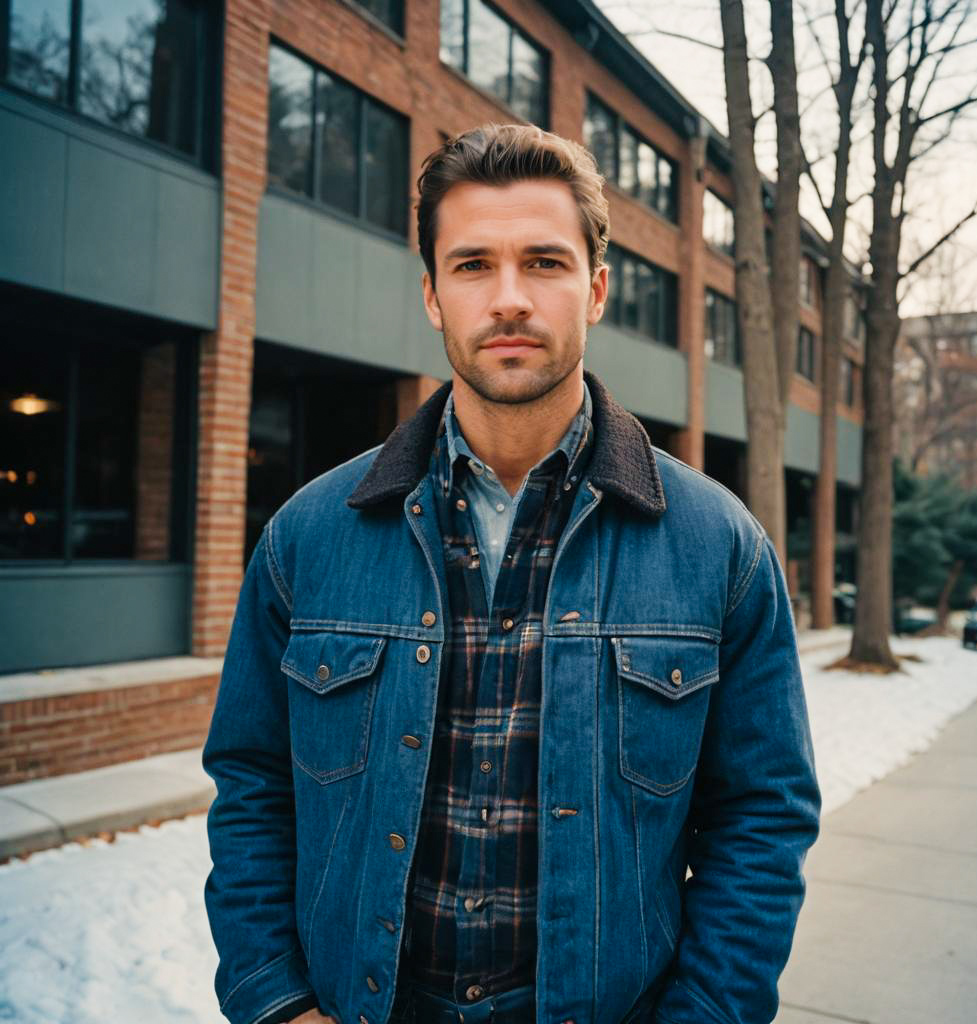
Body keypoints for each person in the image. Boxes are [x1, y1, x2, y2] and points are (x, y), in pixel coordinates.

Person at [203, 123, 820, 1024]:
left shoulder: (718, 545)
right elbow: (252, 785)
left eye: (543, 262)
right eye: (471, 265)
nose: (508, 299)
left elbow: (761, 821)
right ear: (431, 296)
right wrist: (278, 1003)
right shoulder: (308, 536)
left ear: (596, 289)